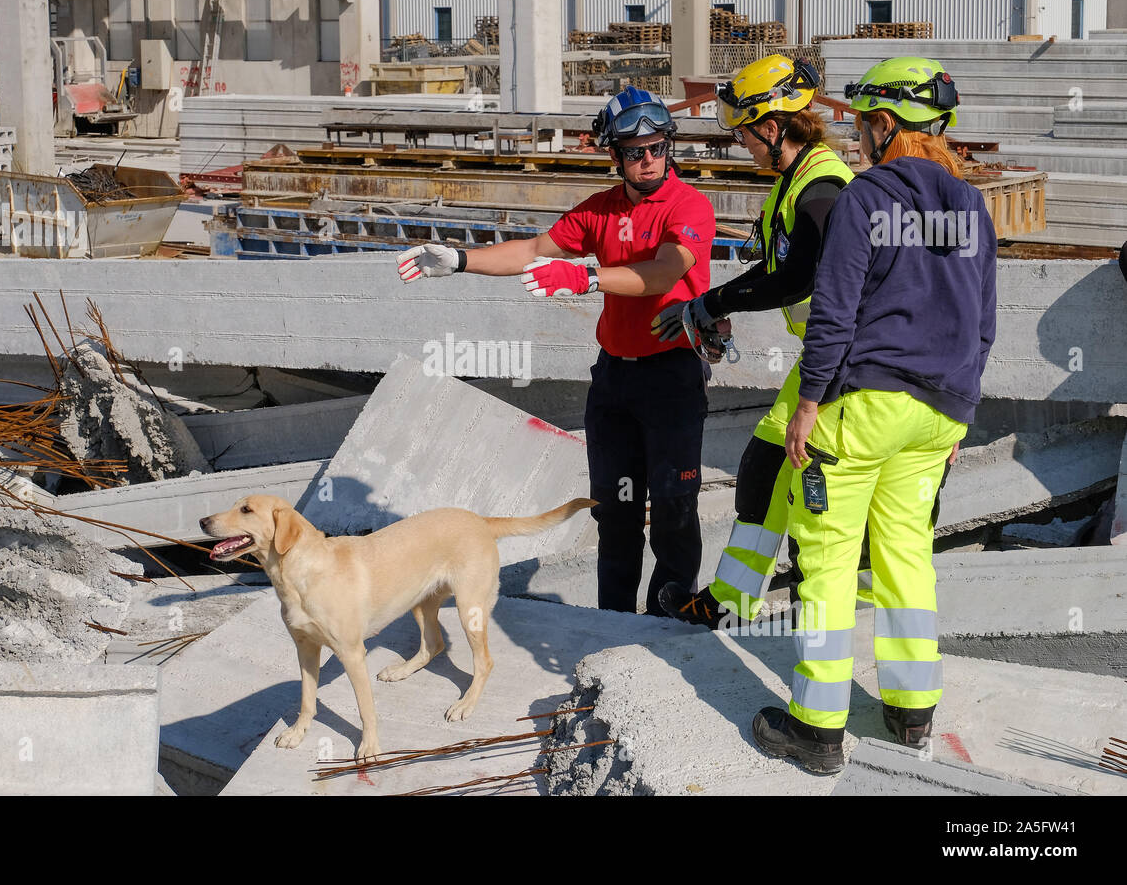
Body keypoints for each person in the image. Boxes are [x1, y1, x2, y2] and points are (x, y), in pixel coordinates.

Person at [751, 57, 997, 774]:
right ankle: (912, 711)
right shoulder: (971, 208)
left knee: (825, 563)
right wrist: (958, 416)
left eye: (863, 127)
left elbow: (834, 312)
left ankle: (817, 730)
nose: (857, 140)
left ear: (887, 125)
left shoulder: (867, 198)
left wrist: (808, 403)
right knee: (905, 557)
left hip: (863, 410)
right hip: (937, 416)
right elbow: (983, 326)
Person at [397, 87, 717, 615]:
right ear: (614, 155)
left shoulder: (688, 206)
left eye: (658, 148)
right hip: (615, 382)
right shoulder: (601, 210)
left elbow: (665, 270)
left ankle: (669, 619)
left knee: (675, 509)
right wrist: (459, 259)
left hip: (672, 378)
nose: (648, 161)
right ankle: (614, 621)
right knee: (615, 512)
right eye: (635, 152)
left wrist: (588, 276)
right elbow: (531, 250)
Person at [648, 55, 854, 628]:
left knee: (806, 489)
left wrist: (713, 302)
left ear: (773, 126)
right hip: (826, 357)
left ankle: (814, 614)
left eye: (745, 131)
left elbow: (799, 278)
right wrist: (716, 302)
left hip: (842, 362)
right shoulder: (799, 181)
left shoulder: (822, 190)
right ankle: (730, 603)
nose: (741, 142)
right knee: (765, 471)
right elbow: (776, 266)